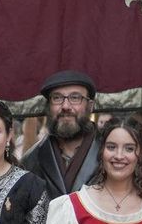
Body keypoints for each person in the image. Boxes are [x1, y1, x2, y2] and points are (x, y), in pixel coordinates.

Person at [21, 70, 99, 199]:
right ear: (48, 106)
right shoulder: (31, 159)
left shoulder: (111, 151)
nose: (66, 106)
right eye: (57, 98)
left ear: (90, 106)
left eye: (75, 98)